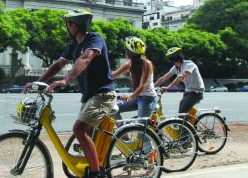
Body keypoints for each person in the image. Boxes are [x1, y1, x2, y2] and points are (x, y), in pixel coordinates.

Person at [25, 9, 116, 178]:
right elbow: (58, 65)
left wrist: (66, 80)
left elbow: (86, 59)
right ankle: (91, 167)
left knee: (79, 129)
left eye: (67, 24)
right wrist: (39, 81)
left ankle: (96, 174)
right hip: (89, 97)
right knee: (84, 135)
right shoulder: (73, 45)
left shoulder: (95, 39)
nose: (66, 28)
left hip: (103, 94)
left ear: (73, 25)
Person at [112, 37, 157, 122]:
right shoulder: (130, 64)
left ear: (128, 52)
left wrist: (129, 97)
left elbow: (142, 86)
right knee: (113, 110)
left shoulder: (146, 64)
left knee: (141, 130)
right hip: (137, 97)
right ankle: (123, 134)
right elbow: (113, 75)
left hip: (147, 98)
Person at [154, 47, 205, 115]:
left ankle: (183, 125)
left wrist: (168, 87)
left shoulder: (189, 65)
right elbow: (163, 78)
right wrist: (152, 87)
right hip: (188, 91)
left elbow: (181, 77)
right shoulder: (176, 67)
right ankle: (188, 124)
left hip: (196, 92)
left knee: (182, 112)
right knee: (183, 107)